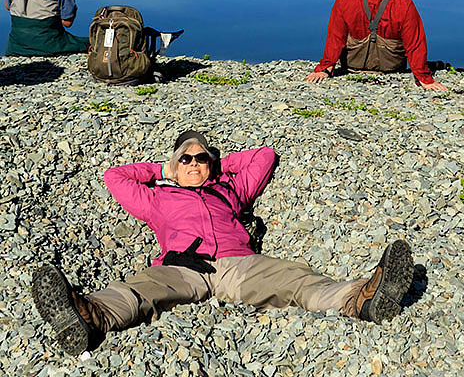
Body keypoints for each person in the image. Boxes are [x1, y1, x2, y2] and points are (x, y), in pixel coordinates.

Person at [31, 130, 415, 356]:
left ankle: (359, 300)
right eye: (186, 158)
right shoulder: (158, 197)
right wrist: (160, 171)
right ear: (174, 164)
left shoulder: (230, 189)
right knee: (141, 288)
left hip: (238, 265)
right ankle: (90, 317)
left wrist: (221, 164)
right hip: (183, 266)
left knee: (294, 279)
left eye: (201, 157)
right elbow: (115, 176)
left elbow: (264, 156)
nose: (194, 163)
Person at [306, 0, 448, 91]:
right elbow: (415, 44)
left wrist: (326, 68)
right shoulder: (403, 3)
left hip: (352, 65)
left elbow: (335, 36)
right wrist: (424, 78)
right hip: (391, 69)